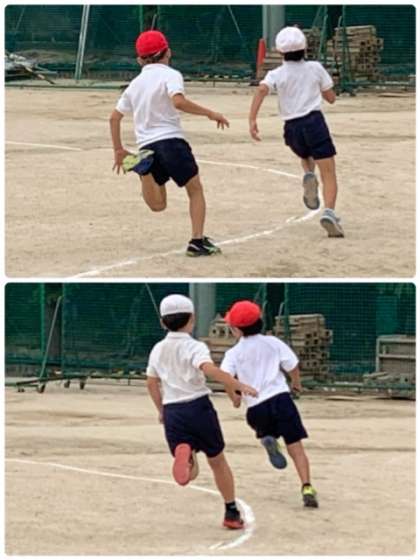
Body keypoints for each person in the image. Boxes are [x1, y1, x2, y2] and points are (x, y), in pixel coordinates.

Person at [110, 30, 229, 256]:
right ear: (168, 52)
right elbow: (178, 102)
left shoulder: (135, 84)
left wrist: (118, 149)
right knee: (195, 190)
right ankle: (197, 241)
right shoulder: (171, 74)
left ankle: (144, 170)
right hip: (171, 141)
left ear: (139, 60)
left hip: (147, 146)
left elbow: (114, 117)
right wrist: (210, 113)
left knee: (158, 205)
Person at [146, 294, 258, 529]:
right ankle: (230, 512)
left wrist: (161, 410)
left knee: (191, 472)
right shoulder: (195, 346)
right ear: (192, 319)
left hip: (173, 411)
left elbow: (151, 382)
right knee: (217, 460)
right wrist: (237, 384)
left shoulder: (157, 349)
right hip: (198, 407)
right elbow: (208, 369)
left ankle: (186, 454)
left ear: (162, 322)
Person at [221, 299, 319, 508]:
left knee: (265, 429)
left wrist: (235, 398)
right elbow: (292, 366)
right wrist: (296, 384)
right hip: (281, 400)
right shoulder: (273, 342)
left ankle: (268, 438)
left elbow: (226, 378)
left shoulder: (233, 353)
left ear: (236, 330)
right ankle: (307, 486)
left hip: (256, 408)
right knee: (296, 447)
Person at [249, 26, 344, 238]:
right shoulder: (315, 68)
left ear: (280, 51)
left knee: (305, 154)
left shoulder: (276, 73)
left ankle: (309, 174)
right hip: (314, 122)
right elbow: (331, 97)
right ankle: (329, 212)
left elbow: (262, 89)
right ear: (305, 48)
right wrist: (323, 90)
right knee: (328, 172)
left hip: (291, 127)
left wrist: (252, 119)